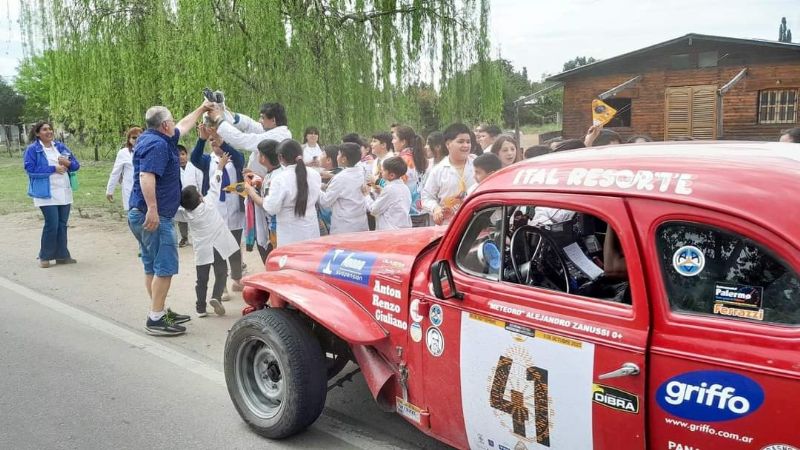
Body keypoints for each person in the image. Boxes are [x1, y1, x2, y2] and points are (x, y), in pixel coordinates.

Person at [128, 103, 208, 336]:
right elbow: (146, 175)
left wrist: (202, 109)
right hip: (154, 216)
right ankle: (155, 319)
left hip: (142, 214)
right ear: (164, 125)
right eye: (171, 120)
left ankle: (159, 310)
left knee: (152, 265)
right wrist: (153, 209)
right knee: (165, 267)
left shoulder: (157, 138)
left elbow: (183, 125)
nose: (174, 123)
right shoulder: (157, 145)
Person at [180, 152, 240, 317]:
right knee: (221, 273)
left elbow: (173, 212)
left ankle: (200, 308)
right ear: (200, 197)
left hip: (202, 250)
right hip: (218, 246)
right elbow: (216, 183)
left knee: (202, 279)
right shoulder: (210, 203)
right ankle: (216, 297)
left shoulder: (186, 214)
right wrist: (220, 166)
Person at [190, 124, 246, 292]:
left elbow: (237, 156)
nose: (215, 143)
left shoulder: (236, 158)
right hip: (216, 210)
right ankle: (222, 286)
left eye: (218, 140)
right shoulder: (208, 160)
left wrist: (223, 142)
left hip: (235, 208)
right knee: (219, 249)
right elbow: (194, 158)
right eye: (212, 141)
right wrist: (202, 138)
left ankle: (237, 278)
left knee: (234, 246)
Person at [23, 120, 80, 268]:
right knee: (52, 224)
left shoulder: (60, 147)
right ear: (37, 133)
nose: (49, 132)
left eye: (50, 129)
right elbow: (30, 169)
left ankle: (62, 255)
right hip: (46, 193)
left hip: (64, 191)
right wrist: (53, 168)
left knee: (62, 224)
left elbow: (76, 165)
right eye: (44, 129)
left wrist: (67, 163)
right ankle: (45, 256)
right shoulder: (33, 149)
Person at [206, 101, 291, 177]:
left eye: (263, 118)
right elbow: (249, 124)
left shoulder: (277, 136)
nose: (260, 121)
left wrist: (218, 119)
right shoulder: (273, 131)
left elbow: (242, 140)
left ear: (273, 120)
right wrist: (226, 112)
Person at [262, 140, 322, 247]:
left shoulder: (280, 179)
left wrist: (263, 196)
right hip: (311, 231)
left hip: (290, 235)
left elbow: (272, 208)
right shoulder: (314, 174)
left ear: (280, 158)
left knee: (292, 262)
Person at [422, 123, 476, 226]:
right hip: (449, 227)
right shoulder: (438, 170)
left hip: (475, 225)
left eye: (468, 142)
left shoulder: (477, 164)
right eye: (460, 142)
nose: (466, 145)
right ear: (448, 144)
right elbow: (426, 197)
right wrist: (435, 208)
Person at [244, 139, 283, 262]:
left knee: (275, 260)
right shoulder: (274, 173)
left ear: (264, 158)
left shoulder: (275, 178)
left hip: (277, 227)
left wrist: (249, 190)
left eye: (259, 154)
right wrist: (259, 183)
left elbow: (266, 204)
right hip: (275, 225)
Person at [319, 143, 368, 234]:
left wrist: (316, 187)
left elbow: (325, 202)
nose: (336, 157)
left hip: (344, 226)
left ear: (344, 159)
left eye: (338, 154)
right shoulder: (361, 171)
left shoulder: (340, 178)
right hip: (360, 223)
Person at [393, 126, 429, 227]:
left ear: (403, 141)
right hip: (421, 209)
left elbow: (395, 185)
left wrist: (376, 182)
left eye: (395, 138)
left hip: (407, 212)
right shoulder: (420, 157)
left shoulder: (402, 161)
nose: (392, 141)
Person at [364, 156, 412, 230]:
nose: (381, 172)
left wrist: (366, 195)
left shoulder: (389, 189)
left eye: (383, 170)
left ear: (391, 175)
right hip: (402, 229)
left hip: (390, 231)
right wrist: (380, 192)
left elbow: (374, 210)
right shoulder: (405, 188)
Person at [106, 126, 141, 211]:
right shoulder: (123, 153)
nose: (136, 140)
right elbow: (116, 172)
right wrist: (109, 190)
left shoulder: (148, 150)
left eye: (140, 137)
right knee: (133, 214)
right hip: (130, 187)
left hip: (145, 188)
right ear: (129, 139)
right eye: (134, 137)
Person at [174, 145, 191, 247]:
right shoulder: (173, 169)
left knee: (195, 217)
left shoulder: (193, 166)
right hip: (180, 197)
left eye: (183, 154)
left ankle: (196, 237)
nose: (181, 157)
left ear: (186, 155)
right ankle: (184, 238)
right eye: (178, 155)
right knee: (181, 219)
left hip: (192, 196)